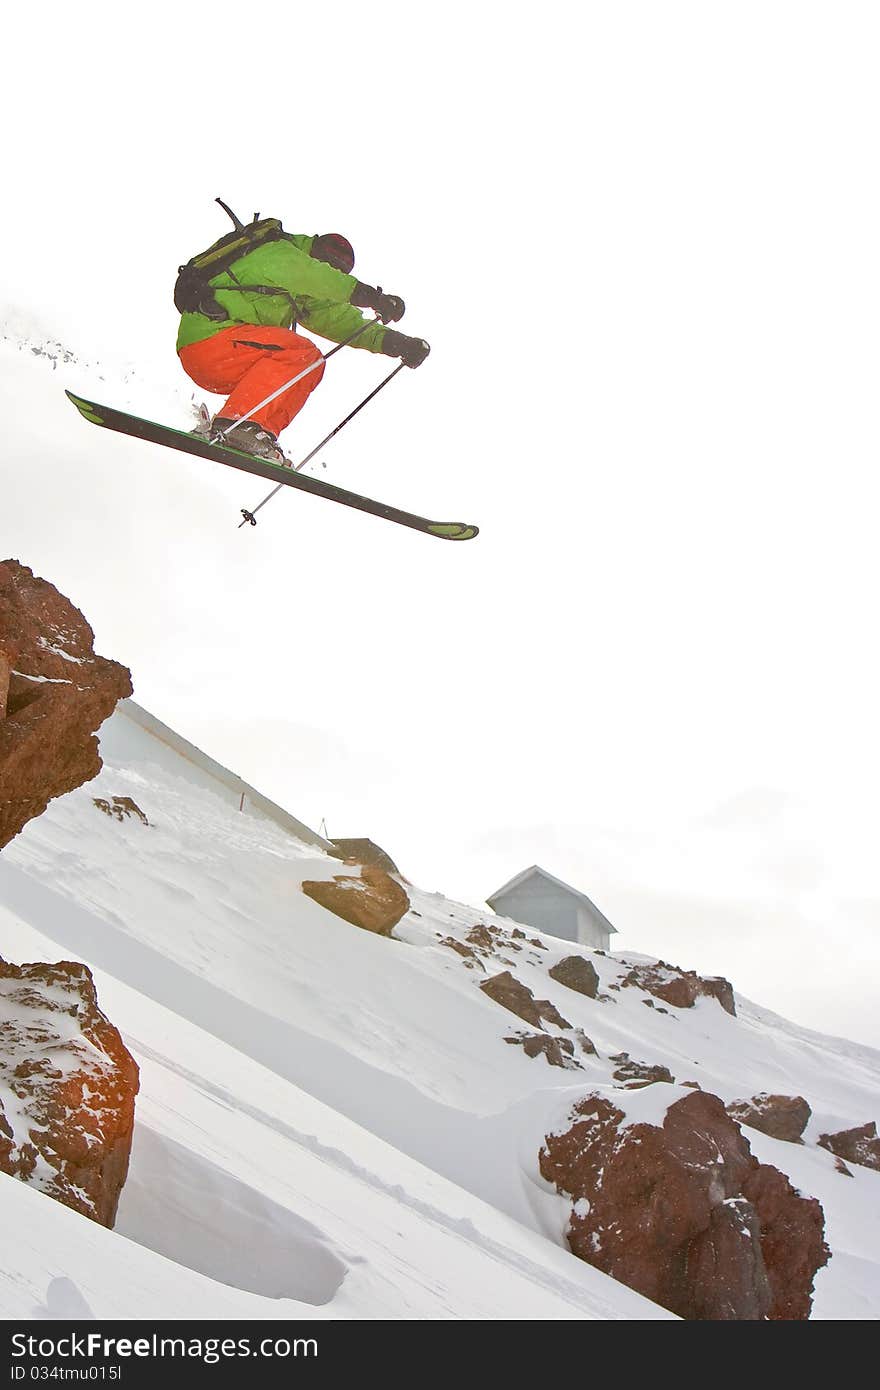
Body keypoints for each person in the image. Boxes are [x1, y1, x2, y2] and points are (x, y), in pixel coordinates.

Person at [176, 227, 430, 459]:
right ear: (314, 251)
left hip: (231, 358)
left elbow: (339, 319)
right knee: (301, 353)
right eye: (329, 264)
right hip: (209, 340)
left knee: (312, 364)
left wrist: (397, 343)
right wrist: (373, 297)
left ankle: (257, 434)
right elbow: (316, 277)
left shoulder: (302, 290)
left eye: (339, 270)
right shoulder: (280, 254)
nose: (331, 269)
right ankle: (239, 423)